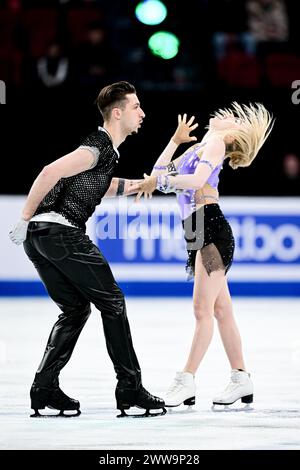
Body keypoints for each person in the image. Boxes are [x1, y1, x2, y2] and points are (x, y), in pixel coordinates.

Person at [9, 81, 171, 418]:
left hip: (41, 238)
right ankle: (129, 386)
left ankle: (44, 387)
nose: (142, 113)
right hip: (59, 232)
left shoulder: (106, 152)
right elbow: (49, 171)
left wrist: (140, 185)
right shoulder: (96, 146)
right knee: (113, 302)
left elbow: (102, 185)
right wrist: (24, 216)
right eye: (136, 107)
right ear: (117, 112)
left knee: (76, 308)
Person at [136, 104, 274, 409]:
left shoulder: (215, 143)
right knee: (221, 310)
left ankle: (186, 380)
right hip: (198, 229)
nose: (228, 116)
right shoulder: (200, 147)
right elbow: (159, 172)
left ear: (233, 133)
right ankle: (242, 379)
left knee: (202, 310)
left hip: (209, 228)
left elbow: (195, 182)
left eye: (235, 119)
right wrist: (174, 141)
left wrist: (160, 182)